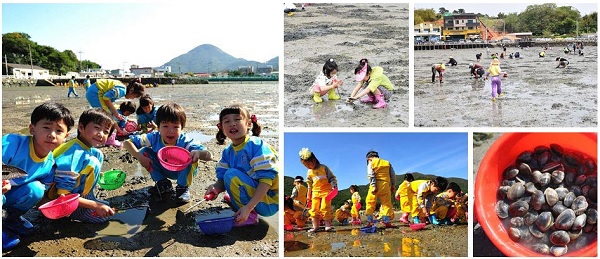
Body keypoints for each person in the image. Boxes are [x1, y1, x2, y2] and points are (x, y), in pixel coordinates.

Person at [2, 102, 74, 250]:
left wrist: (57, 205)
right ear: (32, 129)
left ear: (66, 136)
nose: (52, 134)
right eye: (46, 127)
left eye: (59, 131)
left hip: (9, 195)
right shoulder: (13, 143)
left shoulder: (48, 164)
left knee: (36, 189)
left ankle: (11, 219)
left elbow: (41, 198)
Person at [205, 104, 279, 226]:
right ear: (221, 128)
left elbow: (266, 180)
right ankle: (240, 204)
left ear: (248, 124)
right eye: (227, 121)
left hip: (270, 201)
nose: (232, 124)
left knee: (231, 174)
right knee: (228, 175)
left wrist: (248, 208)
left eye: (237, 119)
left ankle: (249, 215)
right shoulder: (228, 152)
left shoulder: (256, 145)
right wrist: (216, 188)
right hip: (258, 197)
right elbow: (222, 179)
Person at [124, 102, 212, 203]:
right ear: (158, 126)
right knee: (144, 152)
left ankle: (182, 188)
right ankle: (163, 183)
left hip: (181, 170)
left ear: (182, 128)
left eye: (175, 127)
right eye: (165, 126)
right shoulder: (154, 137)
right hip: (163, 167)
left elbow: (209, 155)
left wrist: (199, 153)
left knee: (191, 155)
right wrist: (139, 157)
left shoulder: (184, 140)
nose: (170, 131)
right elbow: (127, 143)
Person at [46, 108, 116, 223]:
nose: (100, 134)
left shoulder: (82, 146)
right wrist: (95, 206)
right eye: (97, 128)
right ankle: (79, 211)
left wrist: (96, 174)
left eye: (106, 132)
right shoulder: (75, 154)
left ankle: (88, 199)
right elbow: (62, 195)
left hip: (68, 188)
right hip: (55, 197)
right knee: (92, 162)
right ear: (81, 127)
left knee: (97, 154)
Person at [85, 78, 145, 147]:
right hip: (95, 93)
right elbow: (106, 97)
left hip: (94, 91)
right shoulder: (122, 90)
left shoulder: (122, 87)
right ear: (131, 90)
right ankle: (110, 139)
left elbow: (109, 99)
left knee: (106, 114)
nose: (133, 98)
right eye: (135, 96)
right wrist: (115, 113)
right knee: (107, 116)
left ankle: (101, 134)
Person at [298, 147, 337, 232]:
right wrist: (308, 195)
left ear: (314, 160)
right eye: (305, 166)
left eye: (308, 164)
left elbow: (332, 178)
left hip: (326, 191)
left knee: (325, 207)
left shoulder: (323, 168)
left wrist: (334, 186)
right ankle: (315, 226)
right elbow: (309, 185)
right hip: (315, 192)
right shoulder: (309, 172)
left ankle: (327, 226)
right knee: (314, 209)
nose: (308, 167)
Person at [364, 150, 396, 228]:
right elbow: (393, 175)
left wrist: (374, 185)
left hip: (375, 184)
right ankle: (386, 221)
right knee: (386, 204)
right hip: (385, 184)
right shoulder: (387, 162)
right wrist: (392, 185)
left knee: (370, 202)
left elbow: (370, 174)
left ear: (369, 158)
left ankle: (370, 221)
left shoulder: (371, 162)